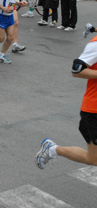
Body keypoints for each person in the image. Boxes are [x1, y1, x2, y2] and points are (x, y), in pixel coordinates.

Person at [36, 33, 97, 169]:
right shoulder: (95, 45)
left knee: (93, 158)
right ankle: (53, 149)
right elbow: (77, 70)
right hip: (94, 110)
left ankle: (52, 149)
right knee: (93, 159)